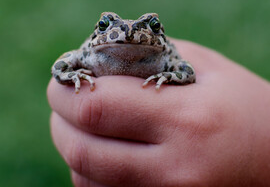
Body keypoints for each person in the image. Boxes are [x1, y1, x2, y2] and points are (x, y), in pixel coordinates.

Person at [47, 39, 270, 187]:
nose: (129, 34)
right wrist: (70, 77)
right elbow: (60, 66)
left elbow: (187, 70)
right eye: (106, 25)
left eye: (151, 26)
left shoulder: (165, 56)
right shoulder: (87, 53)